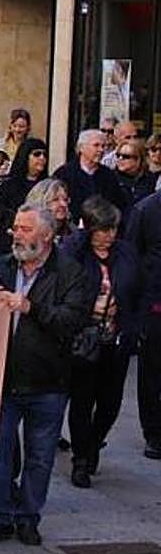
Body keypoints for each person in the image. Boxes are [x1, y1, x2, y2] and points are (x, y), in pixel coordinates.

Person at [0, 203, 90, 546]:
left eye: (25, 229)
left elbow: (72, 321)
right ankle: (0, 516)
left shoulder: (69, 272)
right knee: (0, 452)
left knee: (40, 456)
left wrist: (31, 308)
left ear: (47, 236)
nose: (16, 234)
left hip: (48, 380)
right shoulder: (2, 266)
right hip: (5, 378)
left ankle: (28, 517)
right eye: (16, 227)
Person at [61, 196, 139, 488]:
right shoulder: (75, 253)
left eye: (113, 229)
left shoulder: (126, 254)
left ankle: (94, 443)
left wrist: (134, 325)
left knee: (110, 402)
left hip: (116, 337)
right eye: (103, 229)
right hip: (85, 337)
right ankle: (81, 458)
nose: (109, 235)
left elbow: (138, 289)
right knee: (82, 400)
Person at [125, 184, 161, 460]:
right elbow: (131, 258)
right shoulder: (146, 209)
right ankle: (154, 432)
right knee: (152, 372)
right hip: (154, 305)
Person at [53, 129, 129, 218]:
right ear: (82, 148)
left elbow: (118, 205)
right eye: (96, 145)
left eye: (103, 146)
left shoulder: (109, 176)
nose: (101, 150)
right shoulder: (64, 174)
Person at [112, 138, 153, 206]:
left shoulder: (150, 178)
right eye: (118, 155)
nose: (120, 159)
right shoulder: (111, 178)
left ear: (139, 159)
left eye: (126, 156)